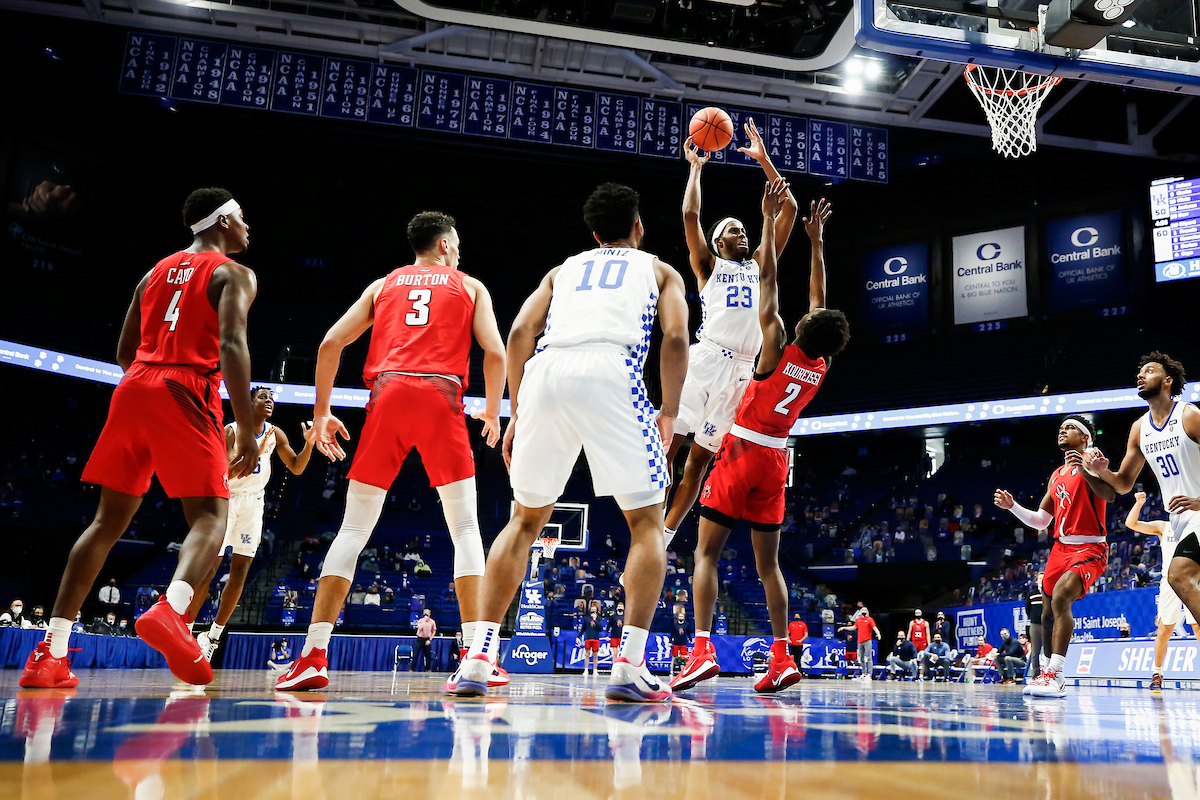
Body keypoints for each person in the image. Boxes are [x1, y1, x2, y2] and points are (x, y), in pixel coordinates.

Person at [452, 182, 689, 703]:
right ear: (638, 226)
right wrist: (669, 412)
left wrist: (518, 408)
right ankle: (629, 666)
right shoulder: (659, 270)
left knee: (524, 520)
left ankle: (478, 658)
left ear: (594, 233)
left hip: (546, 370)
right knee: (647, 523)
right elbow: (674, 338)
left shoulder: (562, 270)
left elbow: (520, 333)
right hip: (612, 369)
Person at [19, 187, 259, 689]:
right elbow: (233, 344)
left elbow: (124, 350)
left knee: (106, 521)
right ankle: (172, 609)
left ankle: (50, 653)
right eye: (241, 218)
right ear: (221, 222)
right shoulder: (234, 273)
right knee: (211, 516)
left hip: (133, 386)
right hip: (186, 386)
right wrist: (247, 430)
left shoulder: (153, 273)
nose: (247, 226)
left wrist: (148, 384)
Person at [276, 211, 506, 692]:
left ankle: (313, 655)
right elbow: (496, 352)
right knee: (465, 528)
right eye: (457, 243)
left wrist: (322, 413)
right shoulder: (470, 286)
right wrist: (490, 410)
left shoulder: (382, 285)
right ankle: (474, 656)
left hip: (388, 392)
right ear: (444, 244)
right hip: (440, 393)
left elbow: (330, 342)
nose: (459, 251)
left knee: (353, 529)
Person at [672, 192, 849, 695]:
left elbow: (769, 280)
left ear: (800, 329)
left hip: (741, 453)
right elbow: (818, 301)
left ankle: (701, 652)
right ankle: (781, 658)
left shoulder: (773, 347)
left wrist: (770, 223)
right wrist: (816, 245)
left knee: (705, 555)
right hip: (777, 461)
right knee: (768, 565)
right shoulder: (819, 364)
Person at [662, 125, 799, 552]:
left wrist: (763, 160)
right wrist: (695, 169)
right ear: (719, 241)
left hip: (741, 372)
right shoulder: (708, 266)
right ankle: (646, 529)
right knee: (667, 449)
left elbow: (789, 208)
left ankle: (664, 538)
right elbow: (690, 217)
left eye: (745, 230)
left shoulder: (760, 263)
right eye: (735, 231)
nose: (744, 235)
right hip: (705, 360)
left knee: (698, 464)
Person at [1087, 353, 1200, 692]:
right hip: (1178, 519)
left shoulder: (1189, 415)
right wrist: (1102, 471)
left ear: (1167, 380)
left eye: (1149, 370)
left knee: (1177, 575)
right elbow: (1123, 483)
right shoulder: (1139, 428)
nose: (1141, 375)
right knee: (1179, 580)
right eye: (1139, 371)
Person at [193, 386, 316, 662]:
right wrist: (251, 456)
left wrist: (309, 444)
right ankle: (187, 630)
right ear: (249, 403)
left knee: (240, 571)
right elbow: (222, 475)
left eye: (271, 398)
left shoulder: (276, 433)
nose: (269, 401)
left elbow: (296, 467)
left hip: (253, 504)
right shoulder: (232, 431)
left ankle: (213, 637)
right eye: (263, 397)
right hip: (227, 500)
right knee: (209, 568)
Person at [995, 414, 1113, 698]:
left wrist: (1085, 469)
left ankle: (1057, 674)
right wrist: (1013, 507)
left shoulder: (1094, 459)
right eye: (1061, 428)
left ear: (1085, 437)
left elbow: (1109, 495)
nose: (1062, 430)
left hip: (1089, 547)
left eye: (1070, 427)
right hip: (1060, 549)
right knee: (1046, 614)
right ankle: (1046, 672)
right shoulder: (1058, 474)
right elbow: (1040, 521)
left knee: (1061, 598)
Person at [1124, 490, 1200, 690]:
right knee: (1165, 630)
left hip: (1193, 579)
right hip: (1169, 582)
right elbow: (1131, 524)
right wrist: (1139, 503)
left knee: (1197, 627)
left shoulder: (1197, 522)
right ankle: (1157, 673)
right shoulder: (1163, 526)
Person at [838, 606, 880, 680]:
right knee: (861, 658)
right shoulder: (859, 619)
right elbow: (854, 627)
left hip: (867, 640)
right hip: (860, 641)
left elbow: (874, 627)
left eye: (865, 610)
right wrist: (844, 628)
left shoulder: (870, 619)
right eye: (862, 610)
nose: (864, 611)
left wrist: (878, 634)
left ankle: (869, 674)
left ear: (867, 611)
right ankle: (864, 673)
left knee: (869, 657)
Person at [582, 610, 603, 677]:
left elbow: (600, 628)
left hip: (595, 638)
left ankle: (595, 670)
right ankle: (586, 670)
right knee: (587, 654)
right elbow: (583, 628)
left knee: (595, 655)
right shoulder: (587, 619)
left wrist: (595, 620)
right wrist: (578, 636)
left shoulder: (599, 619)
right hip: (588, 638)